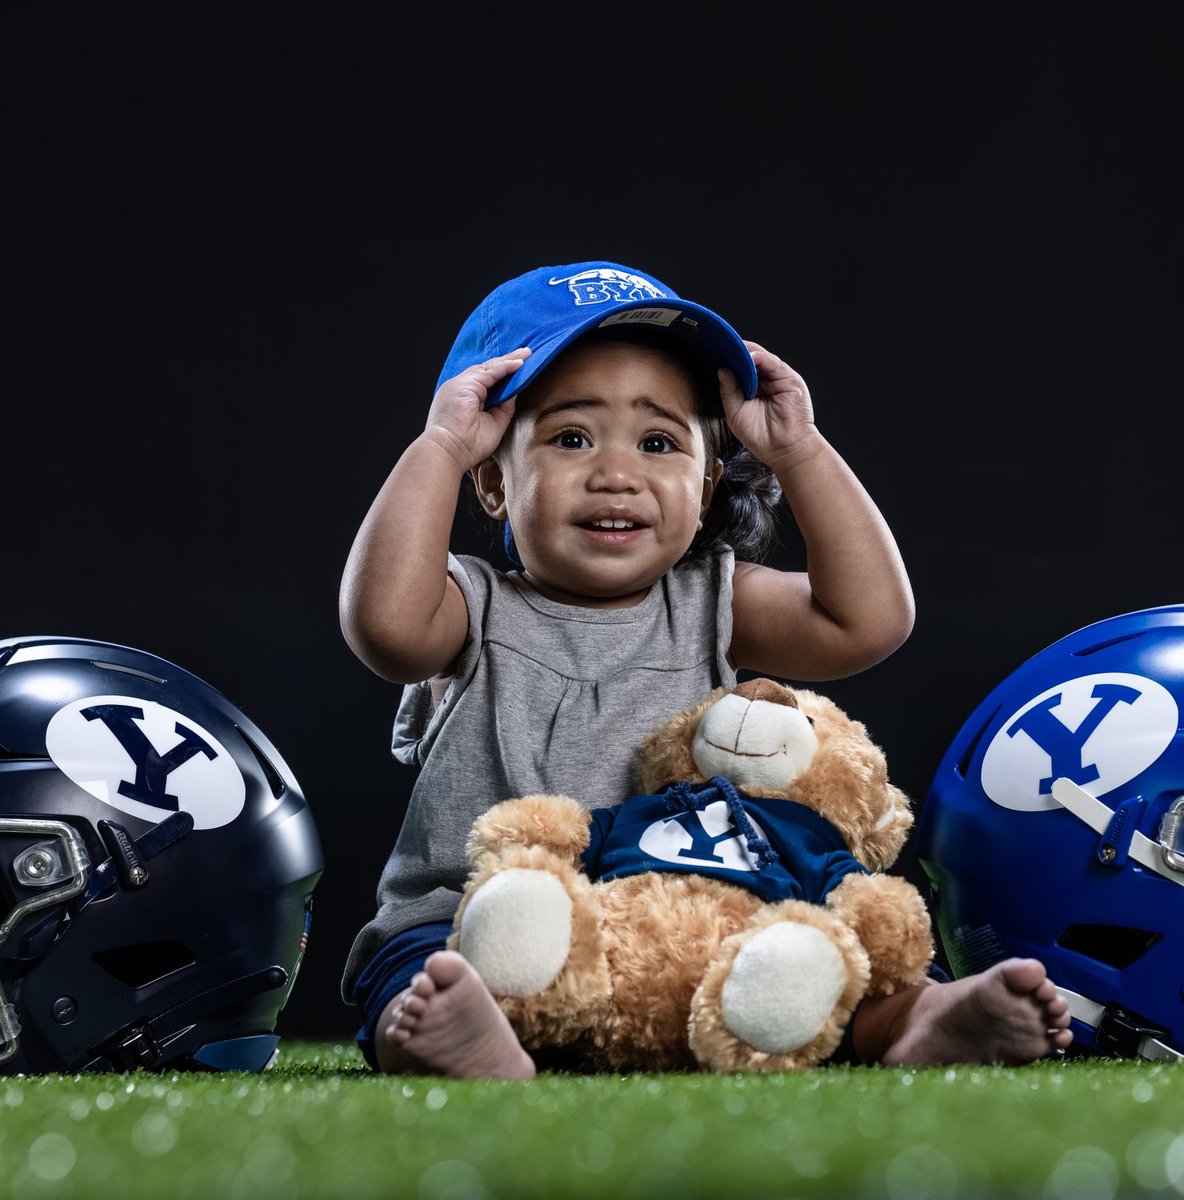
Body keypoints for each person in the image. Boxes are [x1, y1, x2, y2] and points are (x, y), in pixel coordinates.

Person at [339, 261, 1073, 1079]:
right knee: (421, 976)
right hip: (483, 925)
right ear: (492, 482)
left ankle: (919, 1020)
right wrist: (439, 445)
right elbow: (385, 628)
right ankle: (460, 1036)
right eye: (570, 437)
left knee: (829, 948)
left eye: (658, 443)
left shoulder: (711, 600)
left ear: (707, 483)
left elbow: (869, 621)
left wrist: (800, 450)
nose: (616, 473)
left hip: (694, 923)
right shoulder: (468, 606)